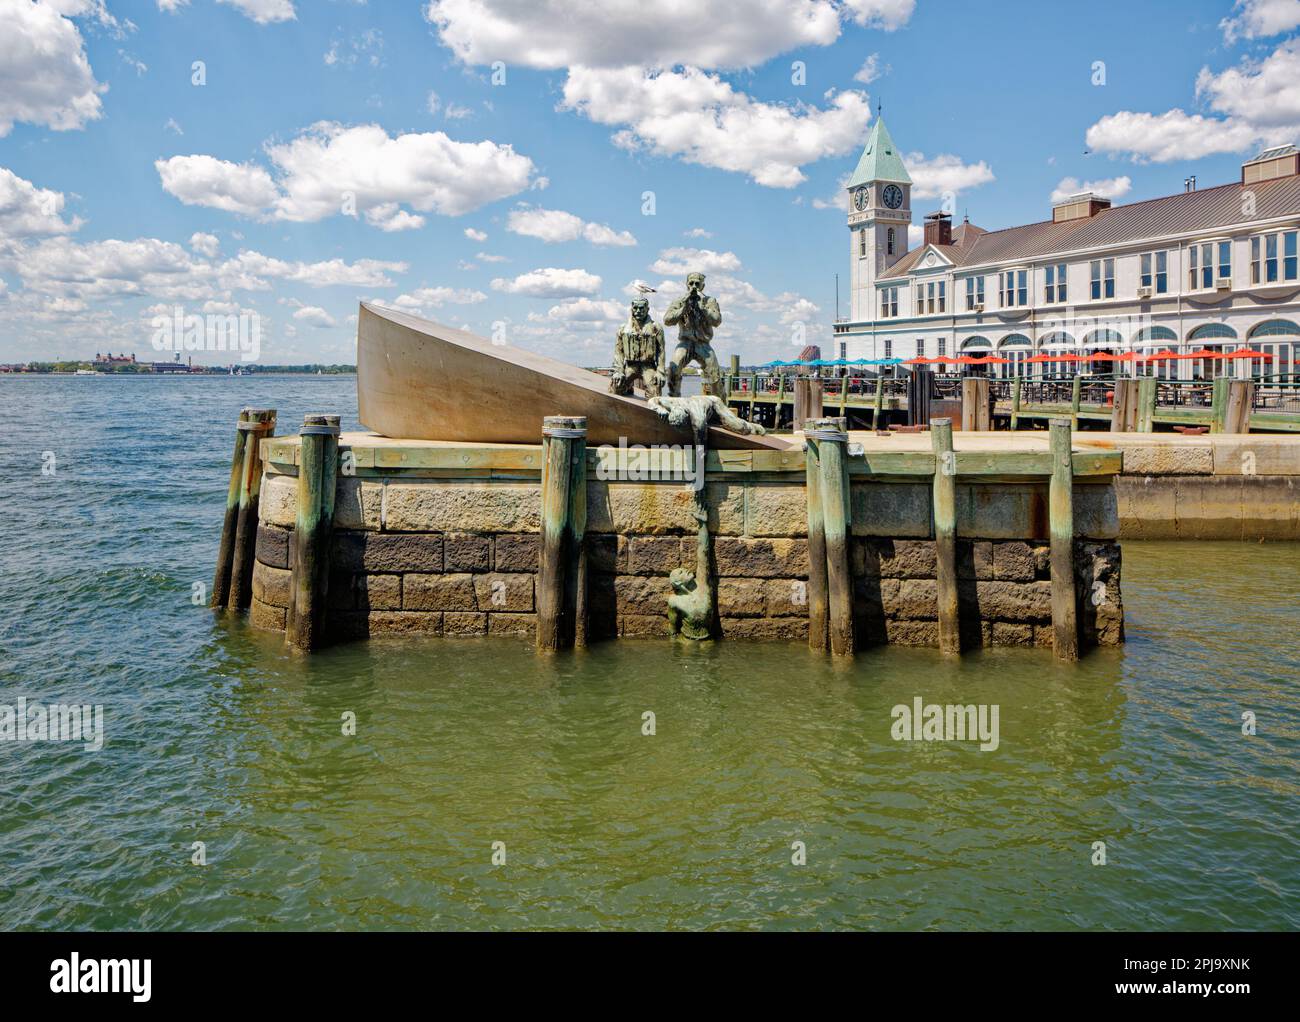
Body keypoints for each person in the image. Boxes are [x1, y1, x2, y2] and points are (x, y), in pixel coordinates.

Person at [663, 271, 724, 397]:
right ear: (687, 285)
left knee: (715, 374)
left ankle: (721, 404)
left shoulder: (710, 301)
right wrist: (683, 308)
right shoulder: (680, 301)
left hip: (703, 344)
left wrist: (703, 308)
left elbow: (717, 321)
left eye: (697, 283)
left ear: (702, 286)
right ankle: (674, 400)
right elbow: (667, 320)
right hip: (685, 343)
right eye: (691, 283)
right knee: (673, 369)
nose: (694, 286)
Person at [608, 297, 665, 398]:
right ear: (632, 309)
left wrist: (660, 372)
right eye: (635, 308)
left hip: (648, 366)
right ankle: (628, 386)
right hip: (630, 365)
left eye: (642, 308)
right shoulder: (623, 329)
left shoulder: (656, 328)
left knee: (655, 391)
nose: (638, 311)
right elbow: (618, 352)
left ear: (647, 309)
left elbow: (661, 351)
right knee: (615, 386)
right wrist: (618, 371)